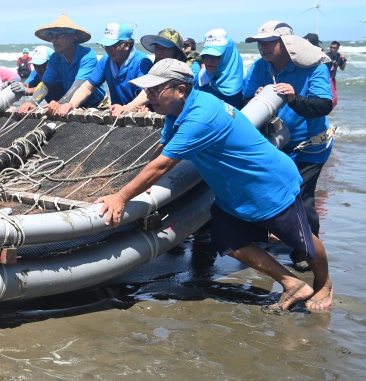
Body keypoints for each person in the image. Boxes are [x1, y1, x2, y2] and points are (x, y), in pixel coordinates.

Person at [96, 59, 332, 311]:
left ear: (181, 90)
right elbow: (163, 149)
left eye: (155, 90)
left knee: (301, 240)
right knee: (228, 241)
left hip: (267, 183)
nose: (148, 96)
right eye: (147, 90)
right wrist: (139, 186)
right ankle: (292, 284)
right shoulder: (175, 111)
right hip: (234, 190)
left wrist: (121, 197)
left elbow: (163, 166)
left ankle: (324, 283)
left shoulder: (201, 116)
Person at [242, 20, 333, 270]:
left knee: (301, 197)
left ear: (287, 44)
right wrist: (257, 97)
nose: (263, 48)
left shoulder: (314, 66)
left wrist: (294, 98)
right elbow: (246, 98)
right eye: (260, 43)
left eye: (269, 42)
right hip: (275, 145)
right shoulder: (260, 66)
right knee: (266, 193)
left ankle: (306, 252)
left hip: (311, 145)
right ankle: (264, 239)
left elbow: (324, 105)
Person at [47, 23, 152, 117]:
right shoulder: (106, 60)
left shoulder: (141, 61)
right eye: (106, 46)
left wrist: (128, 107)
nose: (108, 50)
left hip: (140, 114)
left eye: (113, 46)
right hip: (117, 113)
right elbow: (88, 87)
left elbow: (148, 91)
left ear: (127, 45)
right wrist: (73, 103)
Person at [18, 14, 103, 112]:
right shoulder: (55, 58)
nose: (54, 40)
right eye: (51, 36)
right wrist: (32, 103)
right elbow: (46, 84)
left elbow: (79, 84)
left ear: (72, 37)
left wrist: (60, 103)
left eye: (59, 36)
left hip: (96, 105)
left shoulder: (87, 55)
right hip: (69, 105)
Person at [111, 27, 193, 116]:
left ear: (176, 51)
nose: (159, 52)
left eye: (165, 48)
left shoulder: (188, 69)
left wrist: (128, 107)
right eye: (157, 47)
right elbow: (149, 90)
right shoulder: (156, 67)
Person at [194, 28, 244, 109]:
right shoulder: (201, 79)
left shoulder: (244, 79)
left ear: (227, 56)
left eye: (215, 56)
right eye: (206, 56)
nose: (209, 61)